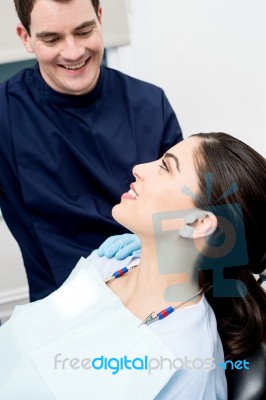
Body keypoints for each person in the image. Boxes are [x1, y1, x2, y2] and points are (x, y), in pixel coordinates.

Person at [1, 132, 265, 399]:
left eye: (165, 166)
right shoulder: (108, 261)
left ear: (198, 224)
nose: (138, 168)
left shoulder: (188, 365)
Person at [0, 0, 182, 302]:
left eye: (84, 31)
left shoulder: (150, 104)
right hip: (63, 310)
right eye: (52, 38)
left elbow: (194, 211)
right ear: (25, 38)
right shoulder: (5, 114)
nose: (73, 52)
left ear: (100, 18)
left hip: (156, 296)